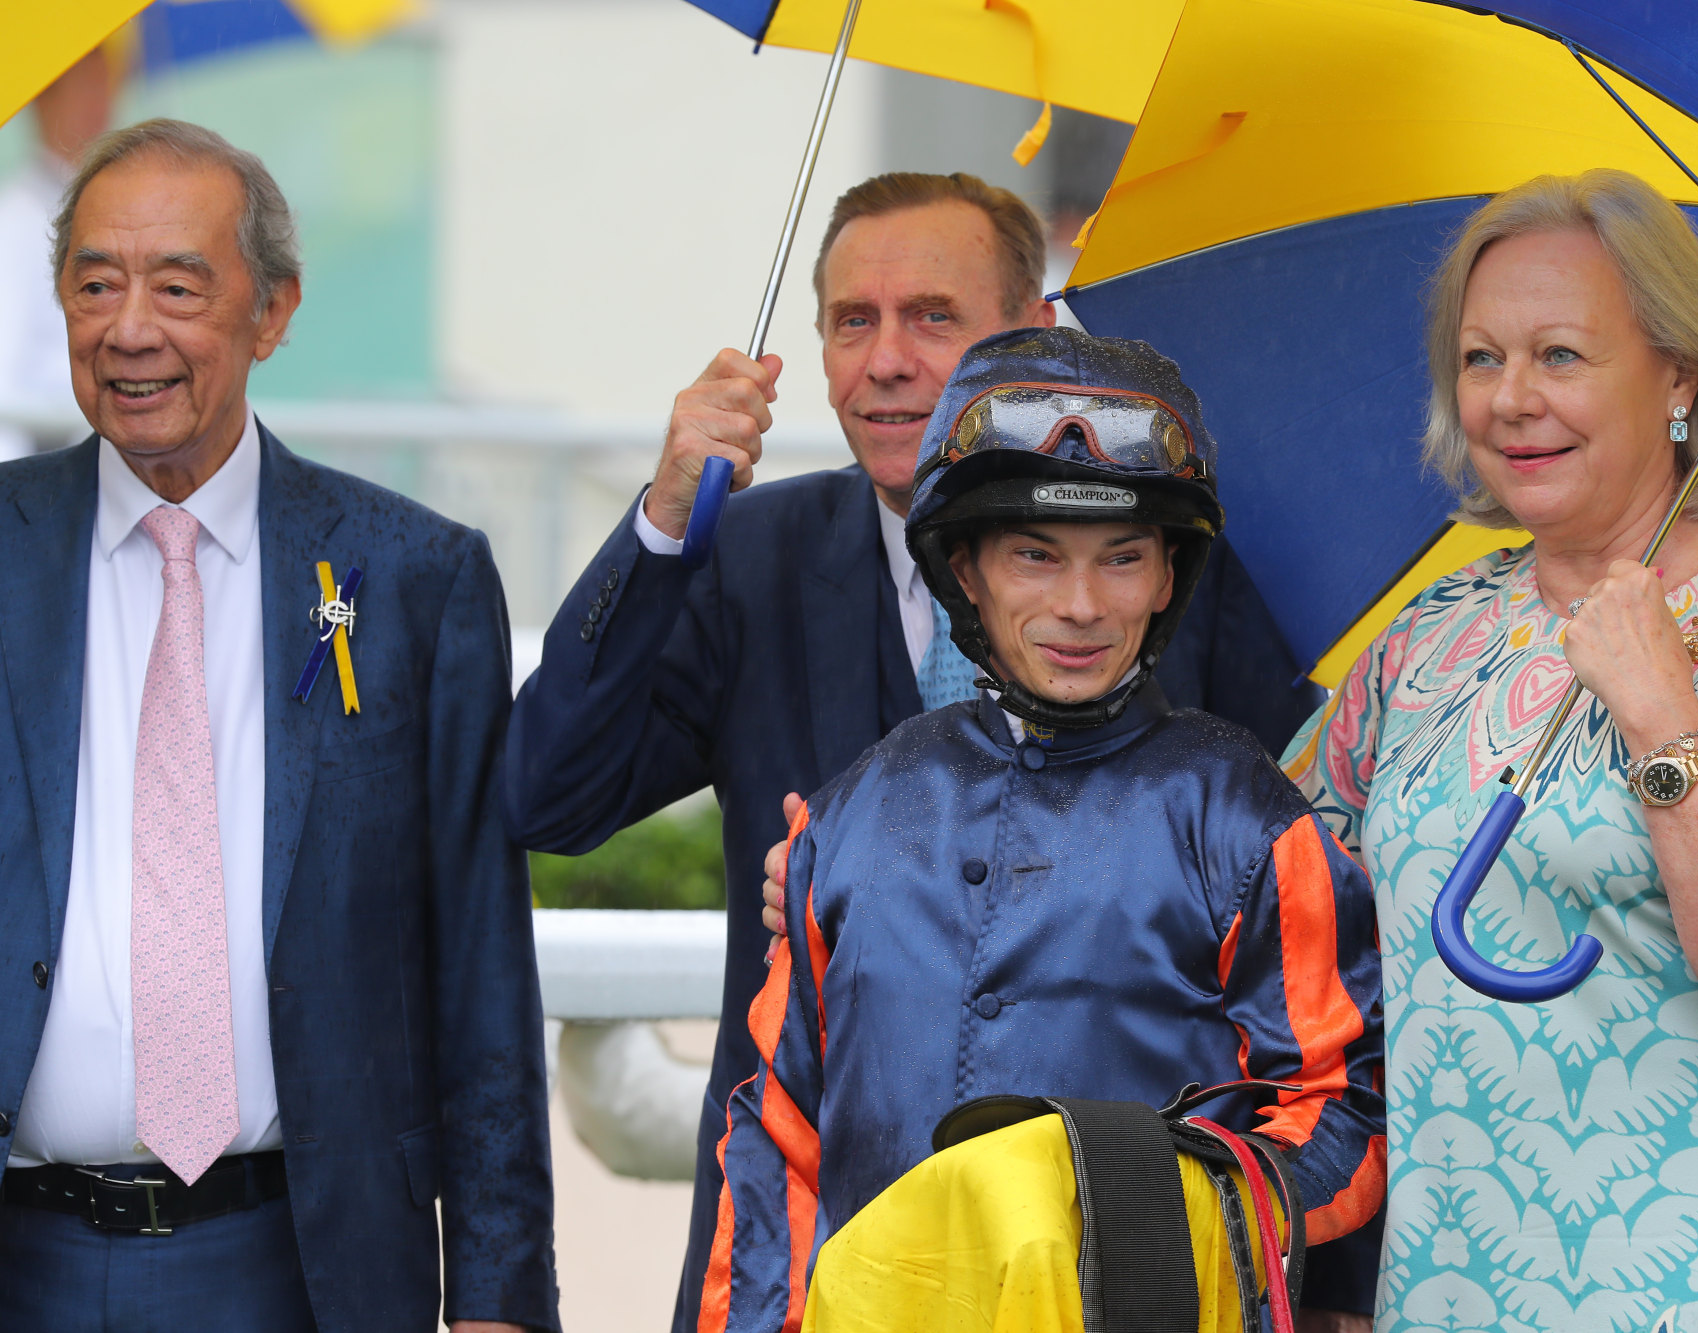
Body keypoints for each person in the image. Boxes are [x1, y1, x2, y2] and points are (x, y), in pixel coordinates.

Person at [505, 171, 1329, 1329]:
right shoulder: (745, 556)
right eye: (852, 321)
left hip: (1118, 1273)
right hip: (811, 1255)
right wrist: (660, 524)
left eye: (932, 316)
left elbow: (1298, 937)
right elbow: (547, 795)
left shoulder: (1186, 564)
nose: (884, 360)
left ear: (1033, 335)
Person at [1282, 170, 1698, 1331]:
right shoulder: (1432, 633)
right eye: (1479, 358)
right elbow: (1273, 890)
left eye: (1559, 355)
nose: (1509, 399)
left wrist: (1663, 719)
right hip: (1456, 1288)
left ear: (1677, 376)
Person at [702, 326, 1385, 1332]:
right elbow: (776, 1135)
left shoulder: (1245, 818)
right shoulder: (848, 813)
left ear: (1166, 579)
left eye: (1121, 558)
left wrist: (1174, 1210)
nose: (1079, 605)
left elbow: (1345, 1112)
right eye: (1034, 555)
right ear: (965, 571)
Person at [0, 120, 558, 1333]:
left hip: (306, 1263)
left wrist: (502, 1295)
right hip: (23, 1253)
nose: (130, 327)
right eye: (95, 284)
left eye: (178, 285)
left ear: (273, 311)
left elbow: (479, 962)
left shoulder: (411, 577)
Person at [0, 45, 119, 460]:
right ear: (42, 99)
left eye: (107, 82)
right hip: (43, 470)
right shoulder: (12, 223)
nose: (100, 101)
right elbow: (5, 385)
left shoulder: (115, 213)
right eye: (83, 85)